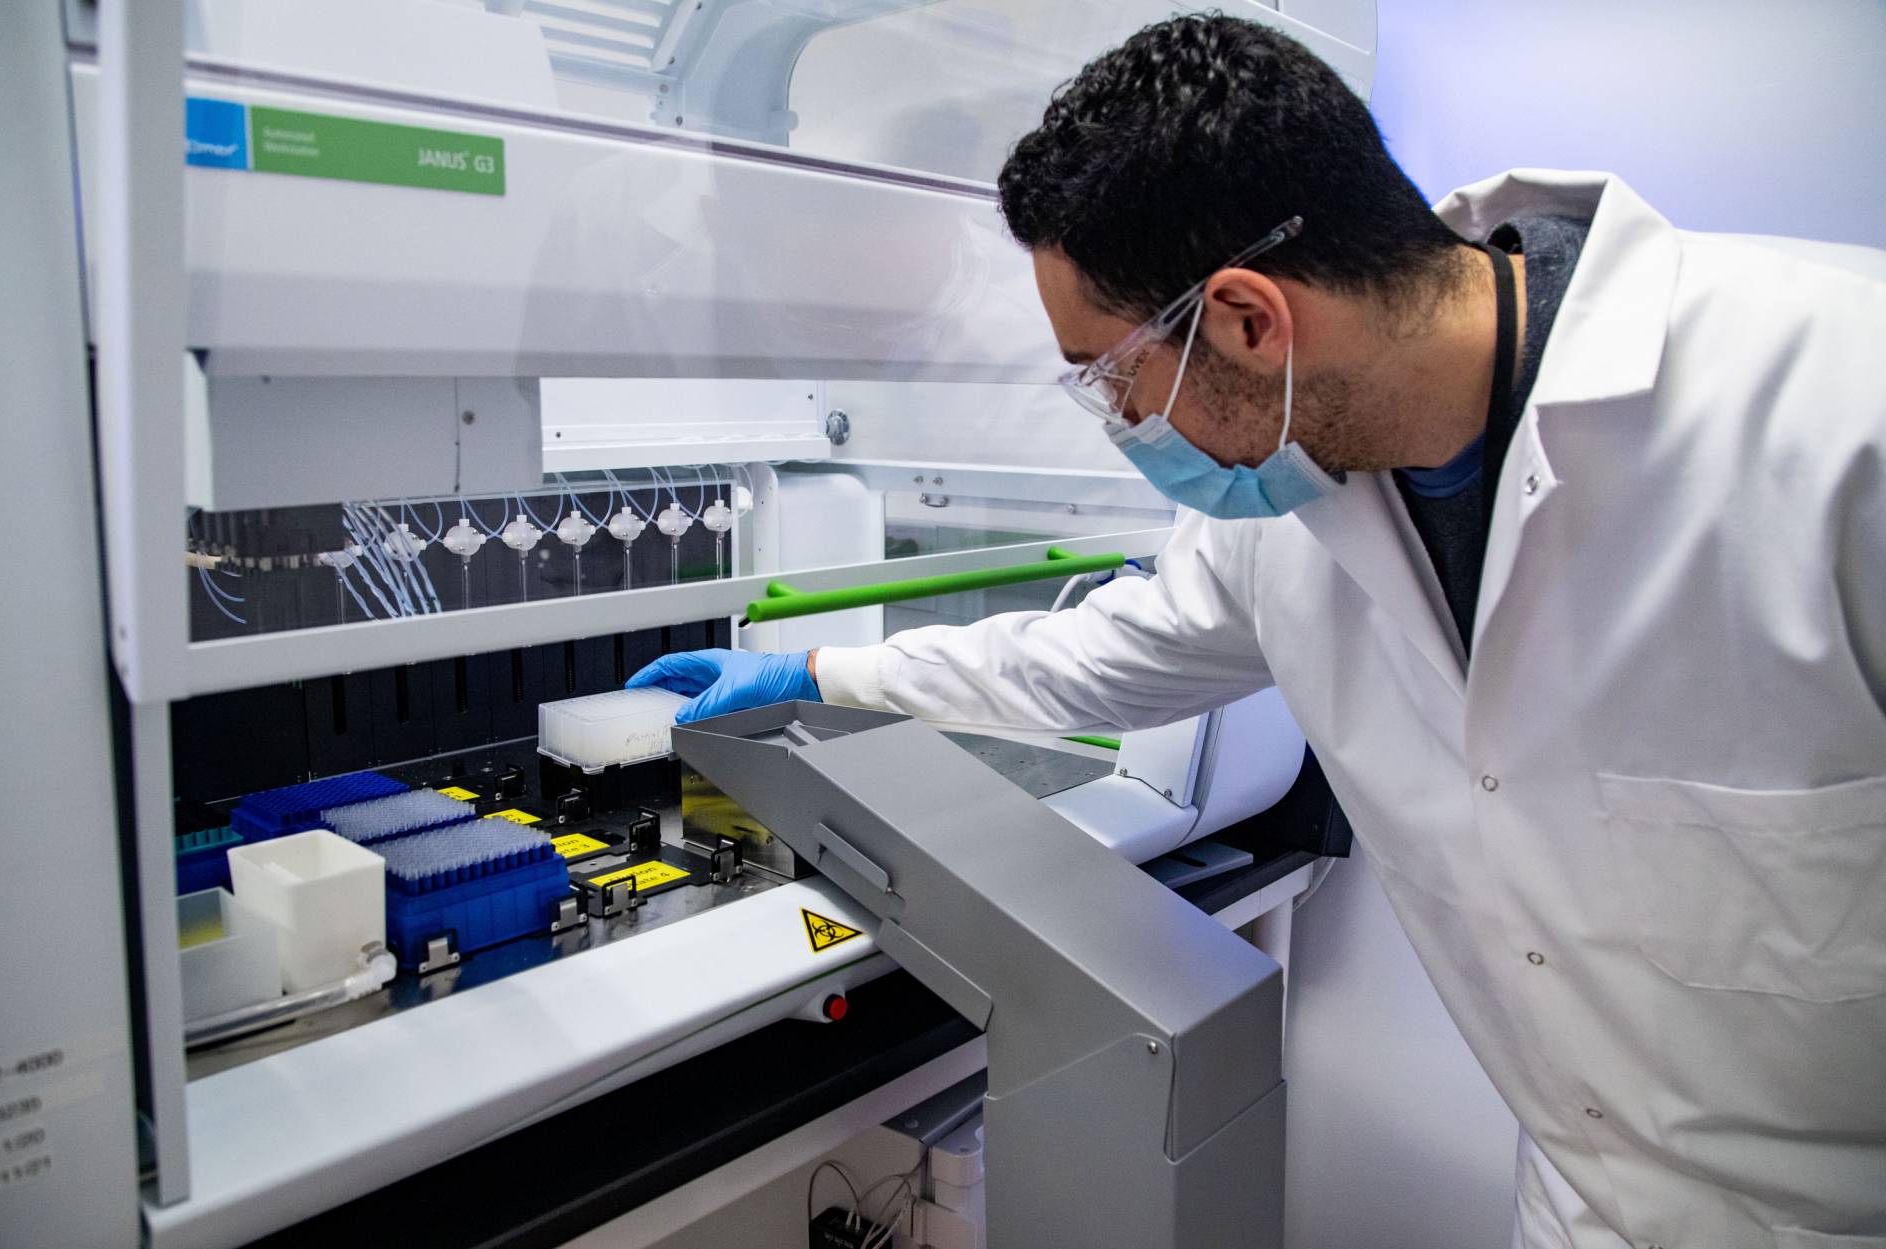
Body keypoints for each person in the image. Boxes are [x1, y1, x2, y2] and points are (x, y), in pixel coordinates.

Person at [631, 15, 1886, 1247]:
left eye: (1108, 374)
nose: (1118, 416)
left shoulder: (1838, 410)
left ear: (1247, 320)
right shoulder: (1292, 504)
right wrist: (812, 668)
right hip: (1581, 1202)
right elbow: (1090, 657)